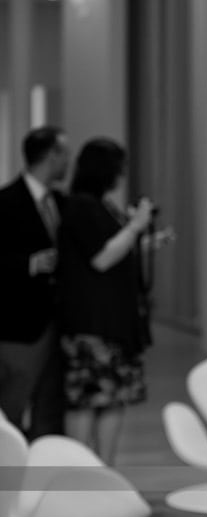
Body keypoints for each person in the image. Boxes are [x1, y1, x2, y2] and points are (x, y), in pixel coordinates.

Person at [57, 138, 159, 465]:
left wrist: (144, 238)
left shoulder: (100, 204)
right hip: (91, 324)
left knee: (113, 398)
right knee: (87, 399)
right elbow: (102, 258)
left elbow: (116, 250)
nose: (122, 174)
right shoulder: (81, 206)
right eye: (119, 167)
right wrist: (136, 226)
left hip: (112, 322)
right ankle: (81, 474)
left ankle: (104, 472)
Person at [0, 125, 70, 439]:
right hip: (20, 327)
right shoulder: (5, 202)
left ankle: (44, 480)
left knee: (51, 410)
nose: (68, 161)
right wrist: (30, 264)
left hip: (60, 322)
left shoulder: (63, 203)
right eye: (64, 153)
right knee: (12, 407)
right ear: (49, 156)